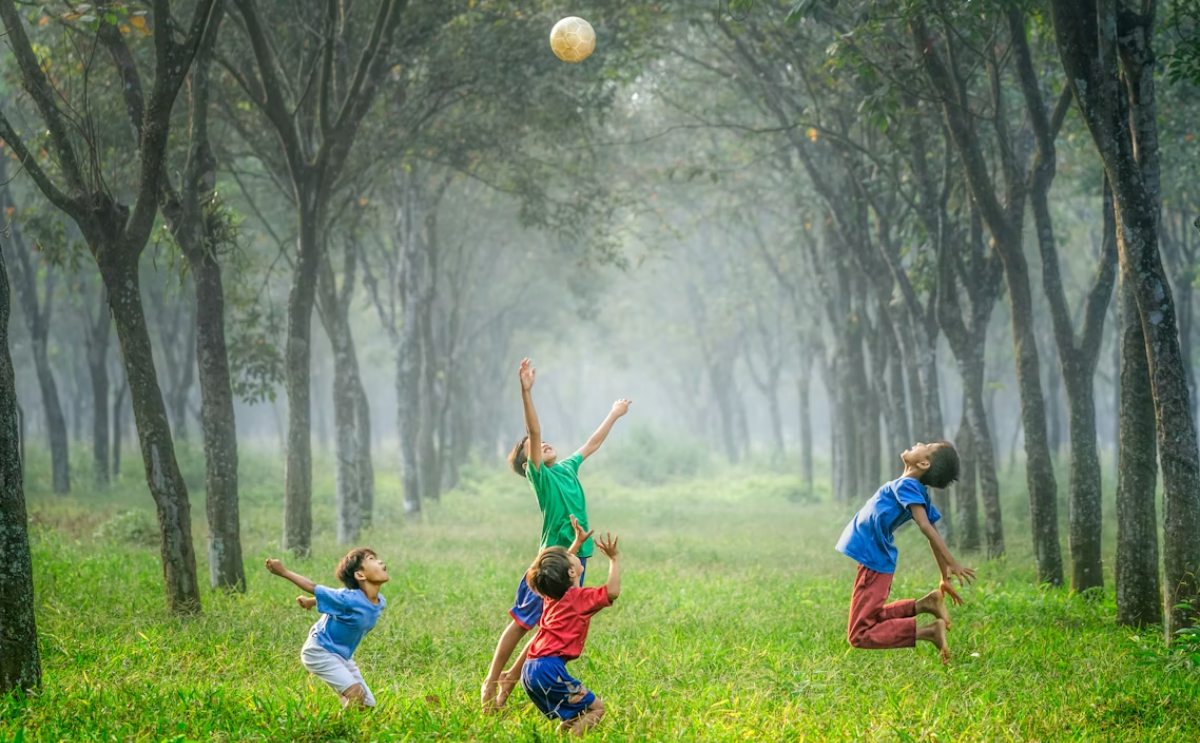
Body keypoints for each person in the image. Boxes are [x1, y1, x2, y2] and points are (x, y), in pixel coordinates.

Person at [481, 357, 631, 711]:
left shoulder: (566, 468)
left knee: (551, 624)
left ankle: (509, 683)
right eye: (533, 446)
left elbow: (592, 443)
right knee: (523, 622)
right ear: (527, 461)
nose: (543, 443)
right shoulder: (541, 476)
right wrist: (526, 392)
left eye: (545, 442)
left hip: (577, 558)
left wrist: (614, 414)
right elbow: (534, 431)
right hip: (550, 561)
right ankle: (491, 680)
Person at [834, 441, 975, 663]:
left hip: (874, 560)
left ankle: (929, 632)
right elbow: (932, 532)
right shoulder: (913, 489)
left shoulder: (908, 486)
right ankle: (925, 604)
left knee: (859, 634)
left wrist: (951, 562)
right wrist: (944, 576)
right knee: (871, 617)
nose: (919, 443)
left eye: (927, 445)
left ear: (924, 463)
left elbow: (927, 527)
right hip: (874, 559)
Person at [522, 531, 621, 735]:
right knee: (596, 709)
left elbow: (559, 571)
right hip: (548, 669)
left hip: (530, 669)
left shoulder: (552, 596)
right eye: (570, 555)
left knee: (575, 714)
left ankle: (562, 736)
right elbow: (612, 591)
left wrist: (577, 543)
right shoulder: (579, 599)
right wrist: (614, 559)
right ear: (571, 572)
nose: (572, 554)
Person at [265, 548, 389, 707]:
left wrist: (310, 601)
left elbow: (335, 598)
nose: (380, 561)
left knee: (367, 705)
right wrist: (283, 572)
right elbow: (313, 587)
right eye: (372, 559)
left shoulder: (380, 602)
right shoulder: (348, 598)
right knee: (356, 695)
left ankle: (346, 711)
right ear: (360, 575)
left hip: (342, 656)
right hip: (320, 650)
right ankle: (338, 719)